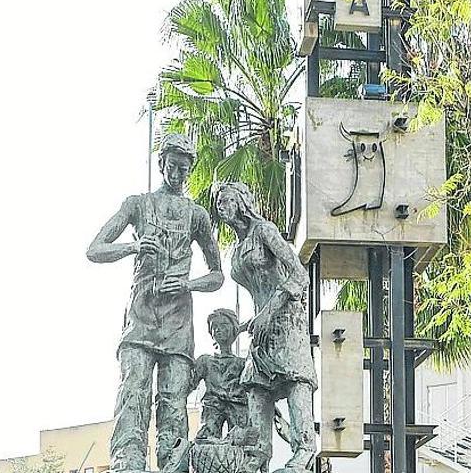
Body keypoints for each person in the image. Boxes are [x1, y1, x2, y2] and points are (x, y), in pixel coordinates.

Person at [86, 133, 224, 473]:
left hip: (178, 321)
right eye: (173, 166)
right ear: (161, 164)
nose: (177, 174)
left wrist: (189, 284)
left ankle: (173, 464)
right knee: (133, 394)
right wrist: (132, 247)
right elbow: (95, 249)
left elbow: (218, 274)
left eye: (184, 169)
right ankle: (127, 464)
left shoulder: (196, 215)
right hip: (141, 316)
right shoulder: (137, 204)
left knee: (174, 403)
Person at [213, 182, 317, 473]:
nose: (220, 207)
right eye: (219, 202)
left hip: (286, 320)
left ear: (242, 202)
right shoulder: (237, 247)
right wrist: (246, 323)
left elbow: (299, 275)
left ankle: (304, 450)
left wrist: (269, 312)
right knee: (256, 388)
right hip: (261, 330)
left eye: (226, 201)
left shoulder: (265, 231)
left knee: (296, 381)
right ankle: (257, 454)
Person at [189, 308, 249, 441]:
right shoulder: (205, 361)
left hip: (238, 407)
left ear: (233, 329)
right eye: (214, 326)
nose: (218, 329)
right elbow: (189, 385)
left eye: (223, 325)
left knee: (241, 442)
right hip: (213, 407)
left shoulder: (242, 363)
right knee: (206, 440)